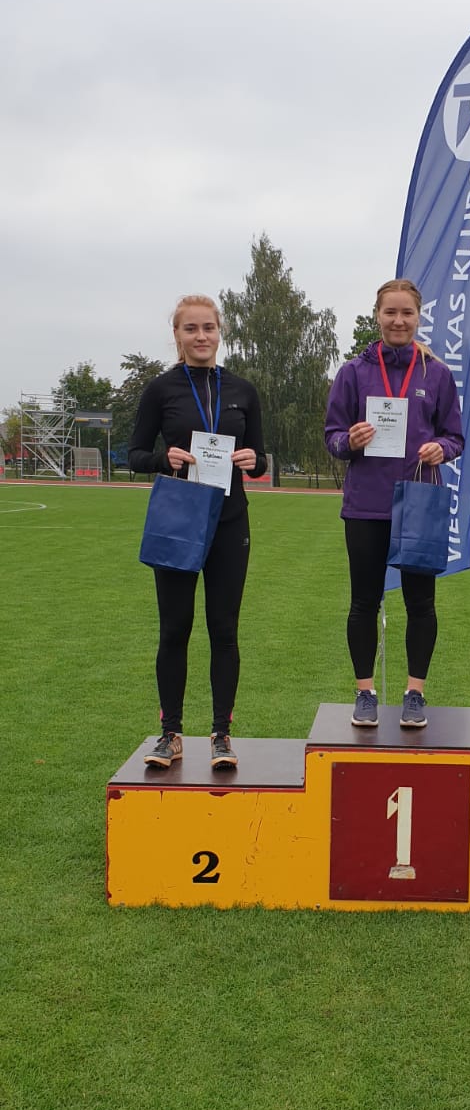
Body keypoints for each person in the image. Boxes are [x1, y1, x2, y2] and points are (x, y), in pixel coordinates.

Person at [129, 294, 266, 770]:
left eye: (208, 327)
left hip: (229, 522)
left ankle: (221, 735)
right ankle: (171, 734)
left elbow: (260, 458)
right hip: (179, 520)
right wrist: (162, 459)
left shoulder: (243, 390)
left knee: (224, 630)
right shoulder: (160, 390)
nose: (201, 336)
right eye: (191, 328)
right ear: (178, 335)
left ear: (219, 331)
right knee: (174, 629)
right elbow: (135, 454)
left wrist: (253, 460)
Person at [325, 278, 464, 728]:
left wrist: (442, 448)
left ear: (419, 317)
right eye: (390, 312)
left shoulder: (436, 374)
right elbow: (332, 436)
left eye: (407, 313)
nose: (399, 320)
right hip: (366, 504)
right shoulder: (353, 373)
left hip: (418, 501)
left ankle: (415, 694)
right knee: (363, 602)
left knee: (421, 603)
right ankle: (364, 693)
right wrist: (350, 440)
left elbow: (455, 436)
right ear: (377, 316)